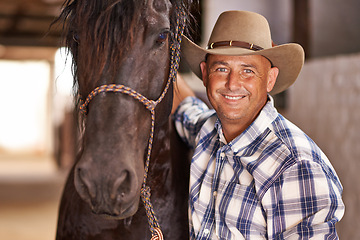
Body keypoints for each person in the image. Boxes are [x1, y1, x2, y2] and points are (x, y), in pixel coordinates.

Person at [172, 11, 345, 239]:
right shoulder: (206, 132)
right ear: (205, 75)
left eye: (248, 71)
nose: (233, 84)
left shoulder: (296, 166)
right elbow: (186, 106)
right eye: (221, 69)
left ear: (270, 80)